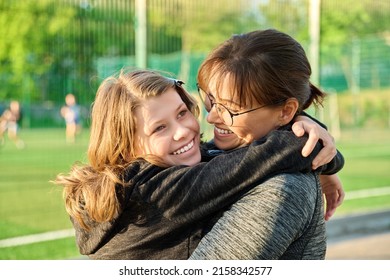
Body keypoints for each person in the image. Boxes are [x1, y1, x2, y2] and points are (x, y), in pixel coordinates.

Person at [53, 68, 342, 259]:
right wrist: (301, 129)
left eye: (181, 113)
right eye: (159, 128)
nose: (182, 131)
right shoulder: (145, 192)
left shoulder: (162, 170)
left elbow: (244, 150)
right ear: (125, 145)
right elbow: (263, 157)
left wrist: (310, 136)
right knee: (295, 187)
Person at [189, 29, 344, 259]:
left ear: (286, 111)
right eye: (211, 100)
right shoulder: (226, 149)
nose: (211, 117)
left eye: (230, 108)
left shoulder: (283, 190)